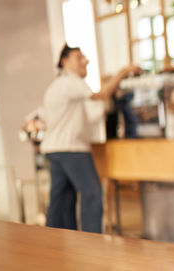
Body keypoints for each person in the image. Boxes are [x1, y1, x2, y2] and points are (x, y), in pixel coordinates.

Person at [41, 44, 140, 233]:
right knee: (92, 194)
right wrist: (123, 72)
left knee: (61, 199)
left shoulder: (56, 86)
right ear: (65, 62)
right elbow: (101, 95)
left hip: (54, 149)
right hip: (72, 149)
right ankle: (91, 242)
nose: (85, 61)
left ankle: (52, 239)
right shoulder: (72, 82)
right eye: (79, 57)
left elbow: (88, 114)